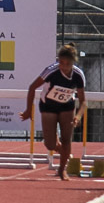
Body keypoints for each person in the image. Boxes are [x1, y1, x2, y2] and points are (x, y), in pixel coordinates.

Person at [20, 44, 86, 181]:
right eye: (61, 62)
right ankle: (59, 144)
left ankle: (62, 170)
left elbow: (83, 102)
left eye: (68, 64)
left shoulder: (78, 75)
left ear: (73, 62)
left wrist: (78, 117)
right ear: (58, 60)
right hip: (48, 106)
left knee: (67, 140)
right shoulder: (51, 71)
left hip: (67, 107)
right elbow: (32, 87)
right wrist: (28, 110)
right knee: (49, 145)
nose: (64, 66)